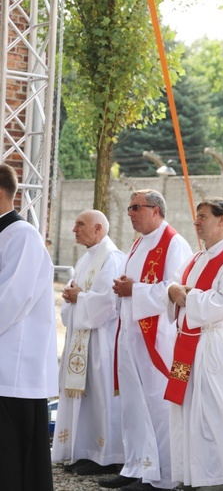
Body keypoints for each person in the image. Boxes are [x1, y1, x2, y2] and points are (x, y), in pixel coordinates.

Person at [103, 189, 192, 490]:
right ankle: (135, 466)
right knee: (132, 404)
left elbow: (176, 288)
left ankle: (163, 476)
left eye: (135, 207)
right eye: (128, 208)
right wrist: (124, 289)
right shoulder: (139, 242)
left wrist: (134, 290)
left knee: (157, 404)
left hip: (158, 337)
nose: (129, 213)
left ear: (155, 210)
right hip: (130, 332)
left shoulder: (174, 243)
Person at [166, 198, 223, 490]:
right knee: (188, 411)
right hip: (188, 343)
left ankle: (216, 479)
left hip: (212, 345)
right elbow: (176, 284)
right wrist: (174, 289)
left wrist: (186, 296)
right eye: (196, 216)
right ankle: (191, 474)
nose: (197, 221)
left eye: (203, 216)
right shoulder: (198, 257)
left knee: (213, 414)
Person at [52, 210, 126, 476]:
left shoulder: (113, 258)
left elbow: (108, 302)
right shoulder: (86, 258)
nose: (74, 229)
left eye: (80, 224)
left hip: (102, 343)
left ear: (98, 229)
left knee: (100, 397)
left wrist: (79, 297)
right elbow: (77, 296)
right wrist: (74, 296)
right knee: (84, 399)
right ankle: (83, 451)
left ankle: (105, 456)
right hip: (82, 342)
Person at [0, 163, 57, 490]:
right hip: (5, 369)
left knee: (11, 456)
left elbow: (11, 298)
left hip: (14, 370)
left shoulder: (21, 236)